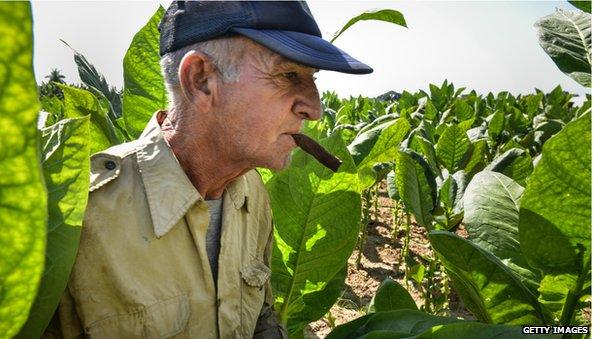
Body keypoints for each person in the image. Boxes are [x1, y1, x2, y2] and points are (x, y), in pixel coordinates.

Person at [45, 1, 372, 338]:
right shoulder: (79, 215)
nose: (315, 109)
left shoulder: (251, 193)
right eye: (288, 75)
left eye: (311, 79)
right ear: (201, 80)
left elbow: (260, 313)